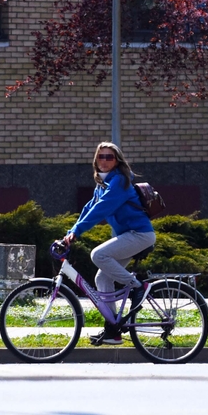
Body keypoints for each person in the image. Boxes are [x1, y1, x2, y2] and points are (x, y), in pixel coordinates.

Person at [61, 142, 156, 345]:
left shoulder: (120, 181)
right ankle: (113, 330)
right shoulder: (103, 183)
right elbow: (90, 207)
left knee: (98, 255)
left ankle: (138, 286)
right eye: (101, 157)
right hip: (129, 235)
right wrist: (70, 233)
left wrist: (78, 232)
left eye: (109, 157)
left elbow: (102, 209)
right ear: (95, 160)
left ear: (117, 161)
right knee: (102, 279)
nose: (104, 161)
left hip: (140, 234)